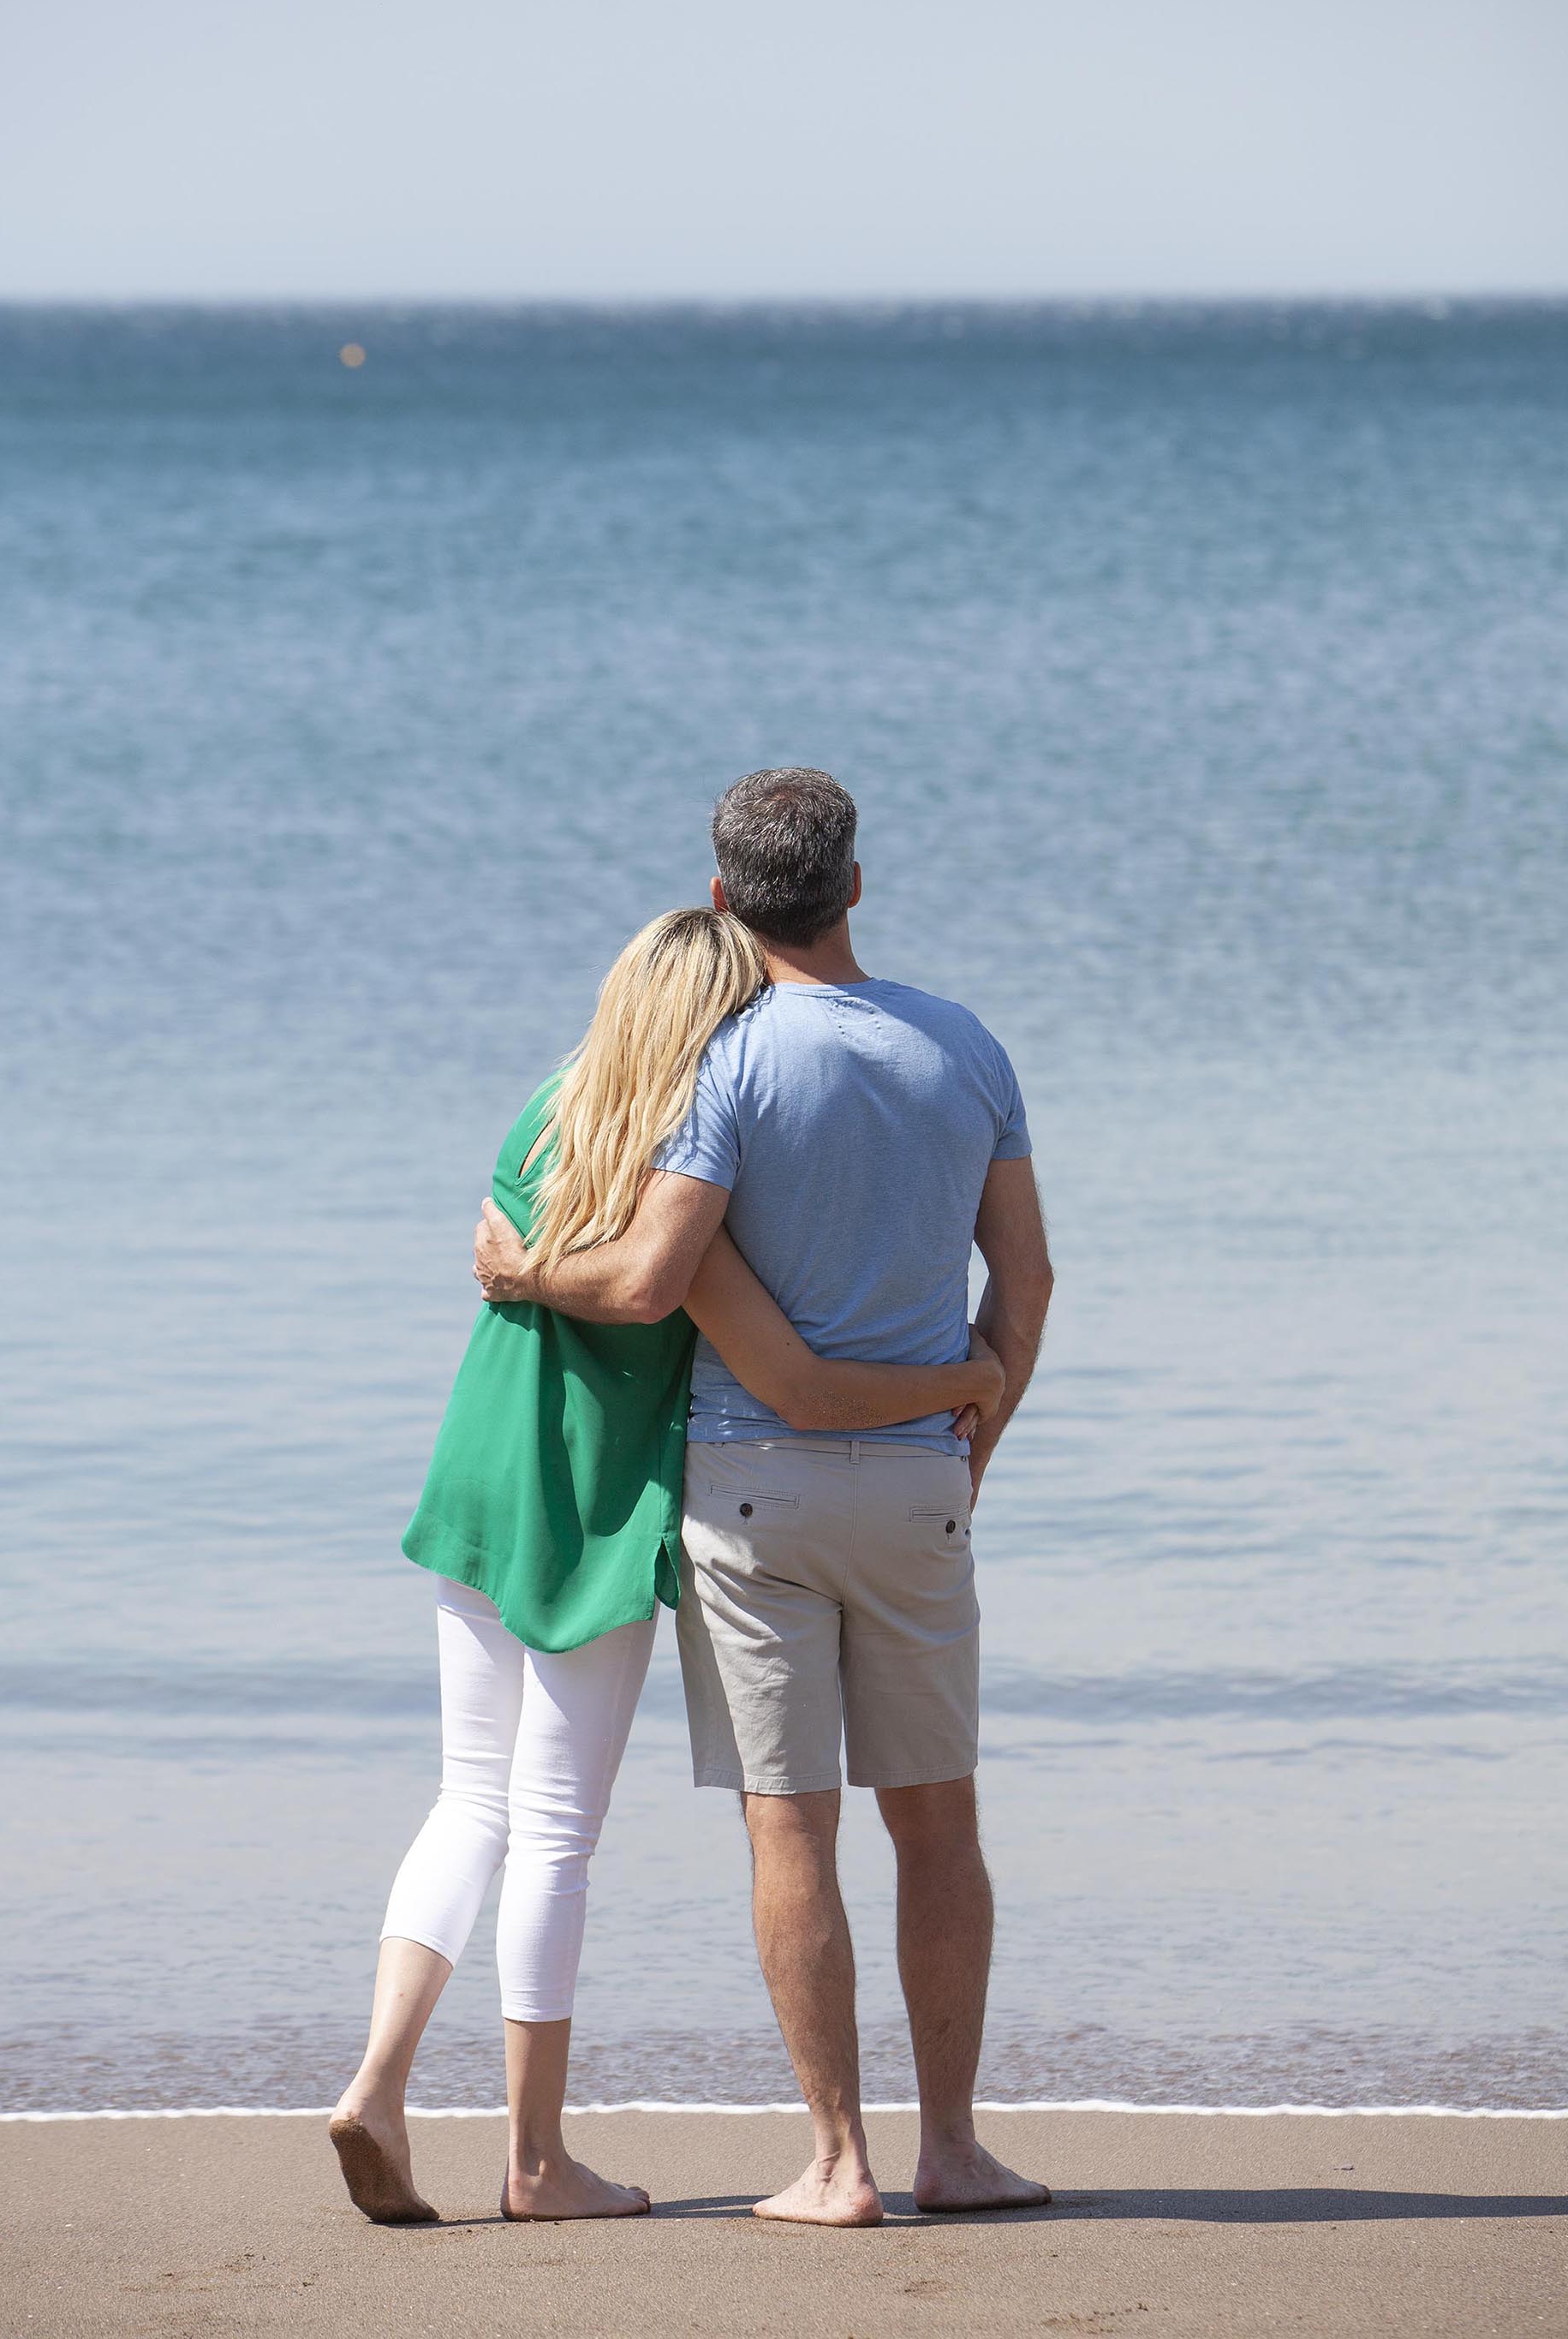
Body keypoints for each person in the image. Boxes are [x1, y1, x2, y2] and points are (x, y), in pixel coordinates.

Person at [330, 904, 1005, 2228]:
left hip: (477, 1477)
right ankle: (534, 2164)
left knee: (467, 1801)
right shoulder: (687, 1174)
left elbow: (507, 1255)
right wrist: (964, 1377)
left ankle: (377, 2082)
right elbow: (768, 1361)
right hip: (592, 1503)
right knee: (556, 1836)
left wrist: (529, 1274)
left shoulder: (543, 1108)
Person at [474, 767, 1055, 2228]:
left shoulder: (724, 1060)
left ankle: (839, 2164)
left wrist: (522, 1269)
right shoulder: (964, 1045)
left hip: (752, 1489)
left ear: (726, 898)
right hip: (920, 1476)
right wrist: (973, 1441)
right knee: (940, 1825)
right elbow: (1028, 1279)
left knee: (790, 1831)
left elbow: (654, 1279)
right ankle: (958, 2152)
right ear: (857, 882)